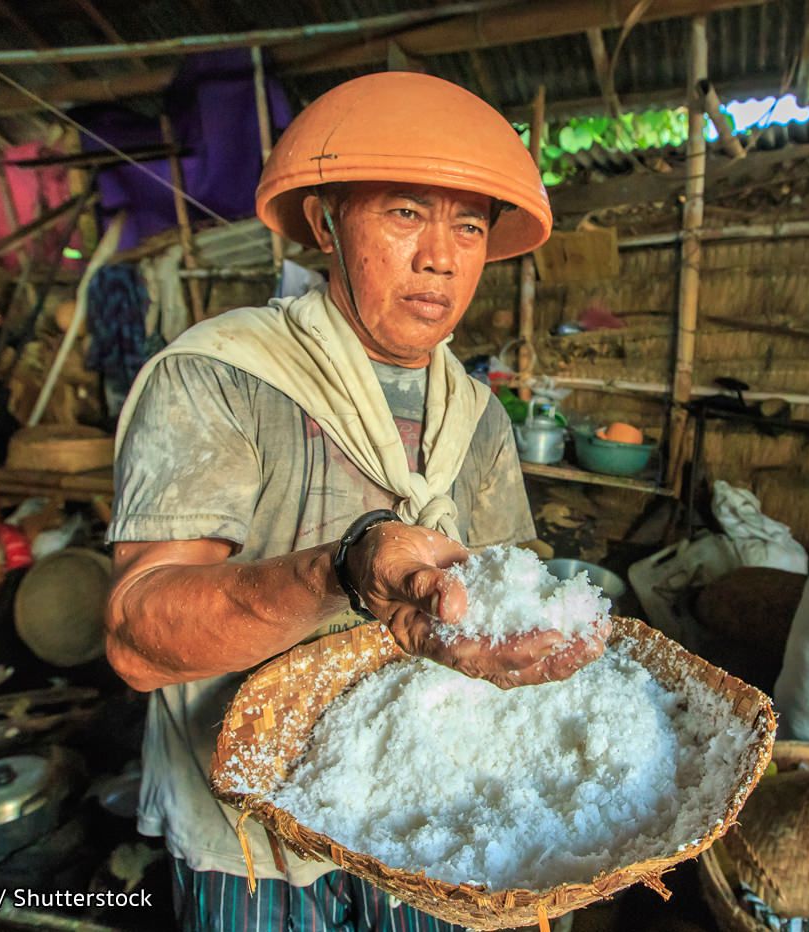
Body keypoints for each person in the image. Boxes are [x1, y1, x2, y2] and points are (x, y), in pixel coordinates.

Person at [104, 72, 611, 932]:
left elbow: (506, 586)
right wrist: (344, 570)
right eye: (406, 213)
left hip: (427, 810)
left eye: (469, 225)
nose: (441, 257)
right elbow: (137, 644)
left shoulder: (476, 414)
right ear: (325, 221)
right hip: (253, 831)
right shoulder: (221, 376)